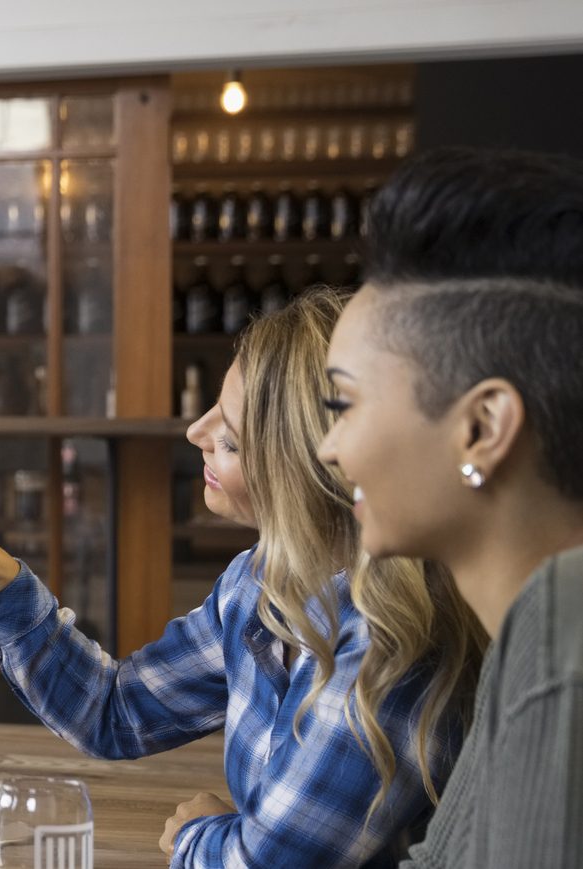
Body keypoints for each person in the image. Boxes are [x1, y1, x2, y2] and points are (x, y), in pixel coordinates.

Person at [0, 289, 482, 868]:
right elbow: (116, 711)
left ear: (306, 469)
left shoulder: (388, 636)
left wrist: (196, 835)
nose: (195, 433)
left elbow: (265, 865)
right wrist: (0, 576)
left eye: (231, 439)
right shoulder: (260, 582)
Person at [314, 147, 583, 867]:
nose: (326, 448)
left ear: (482, 426)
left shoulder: (567, 621)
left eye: (342, 403)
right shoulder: (526, 631)